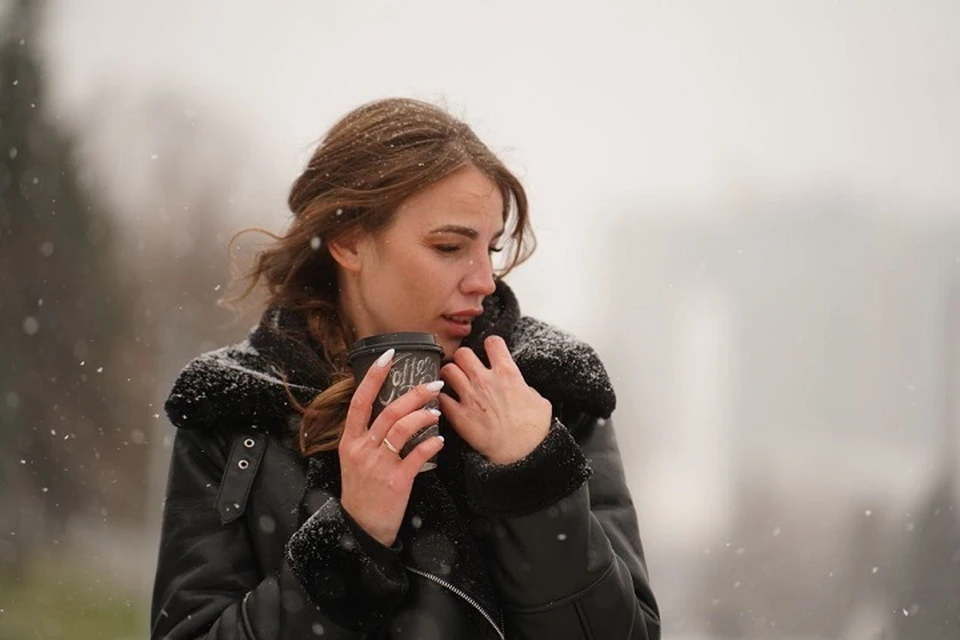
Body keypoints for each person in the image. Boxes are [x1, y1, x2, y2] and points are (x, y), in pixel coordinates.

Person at [150, 97, 660, 640]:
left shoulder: (550, 395)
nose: (484, 280)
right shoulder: (234, 409)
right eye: (448, 246)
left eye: (491, 248)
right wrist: (352, 538)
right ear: (348, 240)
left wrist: (535, 480)